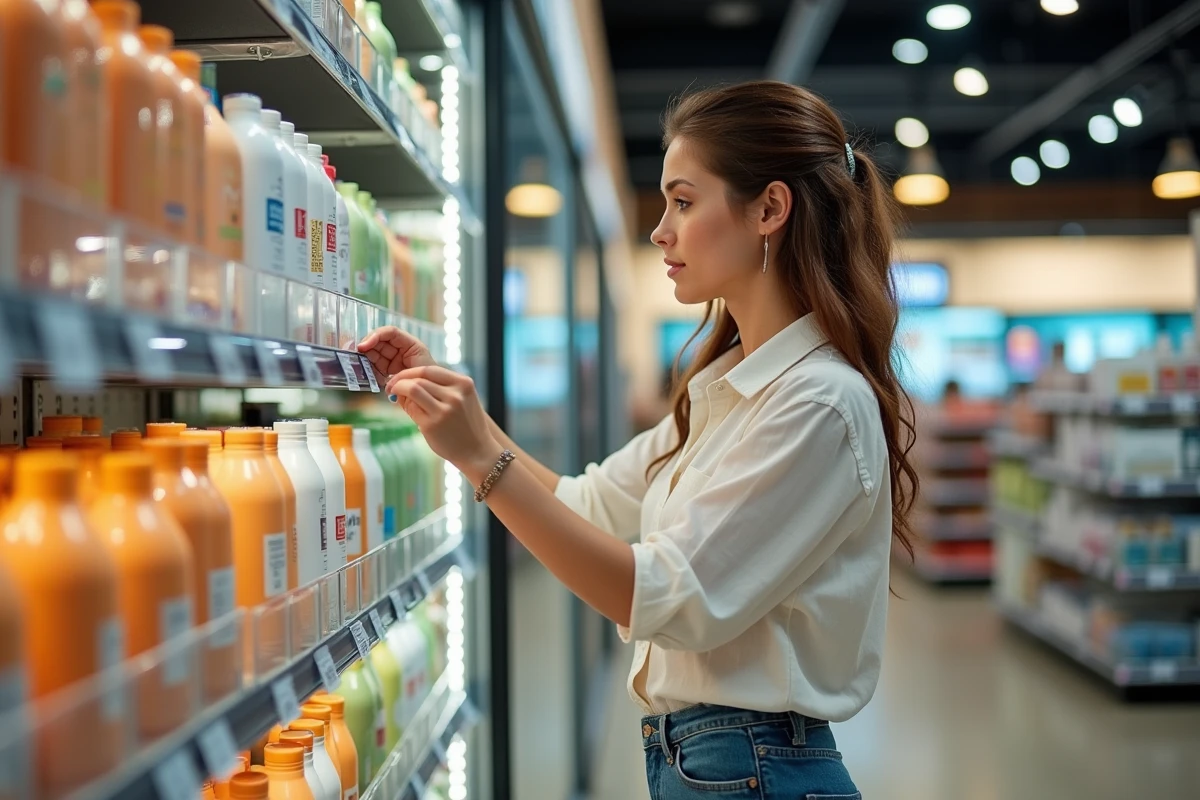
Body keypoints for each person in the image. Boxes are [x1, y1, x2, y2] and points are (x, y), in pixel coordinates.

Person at [358, 80, 918, 800]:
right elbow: (586, 504)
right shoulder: (726, 386)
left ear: (769, 209)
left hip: (757, 769)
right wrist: (457, 409)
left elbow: (664, 598)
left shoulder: (818, 403)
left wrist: (478, 455)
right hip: (710, 762)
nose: (661, 230)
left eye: (684, 202)